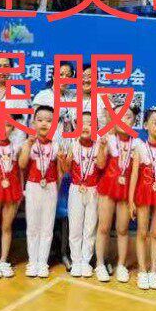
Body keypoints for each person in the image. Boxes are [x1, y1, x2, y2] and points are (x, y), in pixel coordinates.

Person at [129, 107, 156, 290]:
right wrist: (131, 200)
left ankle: (154, 271)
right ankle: (142, 270)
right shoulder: (140, 148)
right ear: (146, 125)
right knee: (142, 233)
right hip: (143, 193)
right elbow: (134, 175)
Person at [95, 104, 141, 283]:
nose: (123, 120)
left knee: (122, 229)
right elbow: (100, 165)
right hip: (107, 188)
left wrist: (132, 199)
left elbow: (137, 173)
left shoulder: (137, 144)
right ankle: (100, 264)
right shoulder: (108, 139)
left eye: (128, 117)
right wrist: (101, 148)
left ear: (134, 121)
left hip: (126, 190)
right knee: (104, 227)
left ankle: (121, 265)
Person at [19, 106, 62, 278]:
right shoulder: (28, 143)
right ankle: (32, 261)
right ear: (33, 123)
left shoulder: (56, 146)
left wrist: (56, 189)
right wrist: (28, 145)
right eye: (40, 120)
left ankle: (43, 262)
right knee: (33, 226)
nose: (44, 123)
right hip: (33, 186)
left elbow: (60, 171)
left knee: (47, 226)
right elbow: (22, 164)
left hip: (50, 187)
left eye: (49, 120)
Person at [61, 112, 101, 278]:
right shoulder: (72, 145)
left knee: (90, 227)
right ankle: (76, 260)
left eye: (90, 124)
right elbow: (65, 169)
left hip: (93, 189)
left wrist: (103, 149)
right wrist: (64, 159)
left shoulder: (98, 145)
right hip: (76, 189)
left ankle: (86, 261)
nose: (86, 127)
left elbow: (102, 166)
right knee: (75, 227)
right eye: (82, 123)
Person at [0, 117, 23, 278]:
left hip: (12, 189)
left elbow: (20, 172)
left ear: (13, 128)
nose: (3, 128)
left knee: (7, 227)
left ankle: (3, 260)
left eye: (7, 125)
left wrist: (21, 191)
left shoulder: (16, 148)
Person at [32, 61, 75, 142]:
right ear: (53, 76)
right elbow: (33, 125)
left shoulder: (71, 95)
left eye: (68, 76)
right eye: (61, 75)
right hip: (47, 143)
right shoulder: (42, 96)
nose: (64, 78)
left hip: (67, 144)